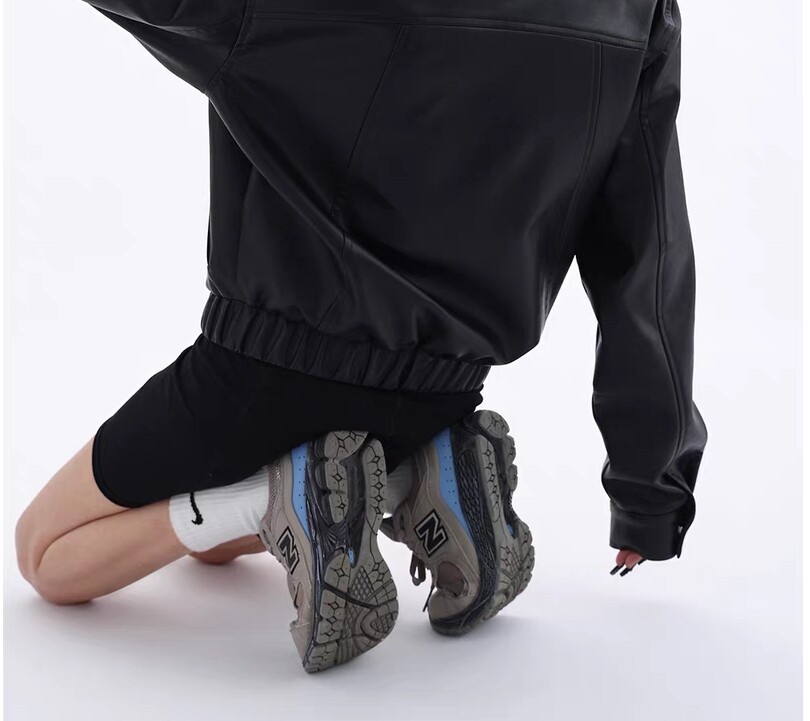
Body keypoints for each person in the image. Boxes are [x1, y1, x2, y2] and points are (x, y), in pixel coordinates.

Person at [15, 0, 708, 673]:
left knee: (44, 554)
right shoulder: (636, 9)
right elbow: (649, 253)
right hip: (442, 392)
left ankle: (276, 497)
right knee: (210, 552)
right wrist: (650, 491)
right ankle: (414, 476)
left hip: (267, 373)